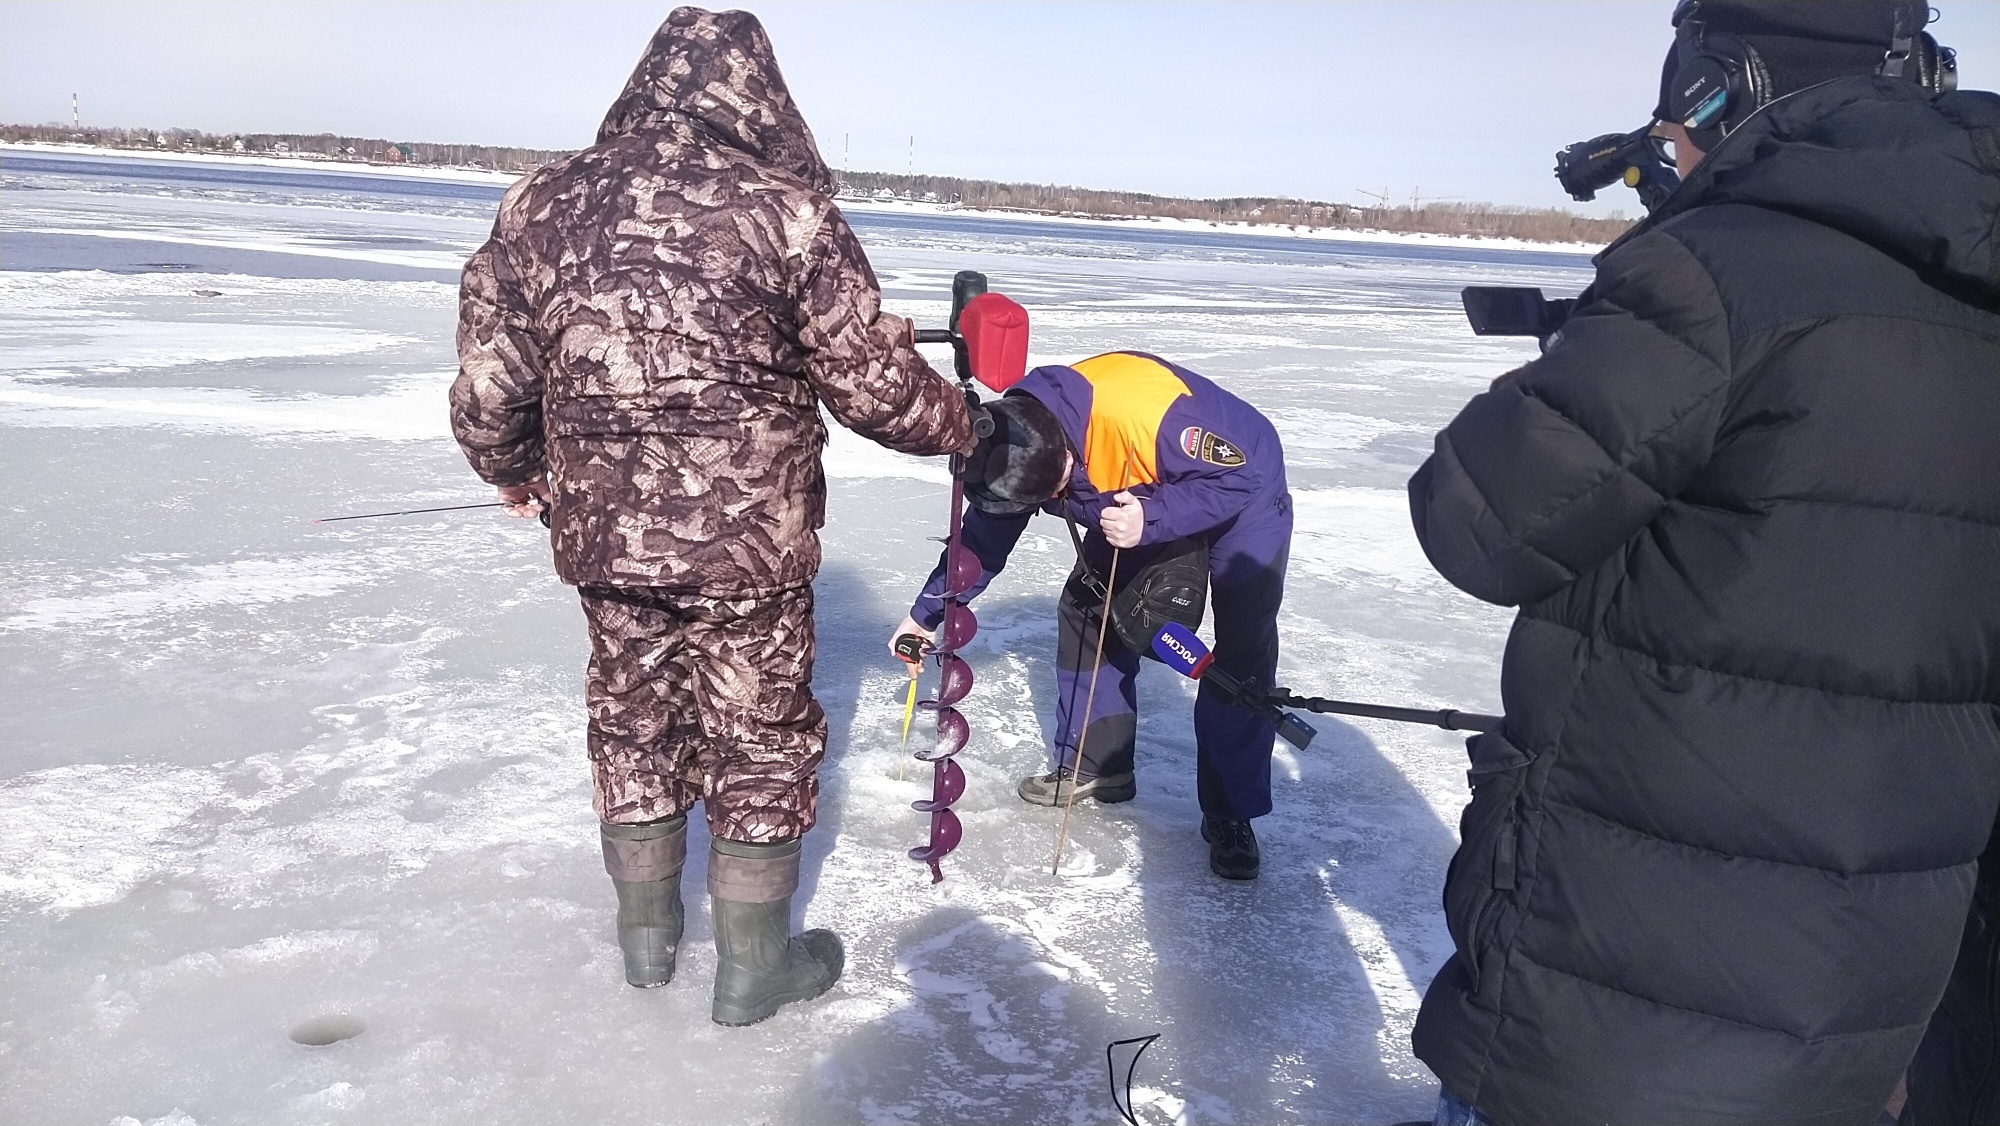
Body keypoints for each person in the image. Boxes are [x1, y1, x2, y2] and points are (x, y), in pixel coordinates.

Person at [1404, 2, 1998, 1123]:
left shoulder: (1716, 269)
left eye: (1676, 123)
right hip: (1875, 1009)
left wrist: (1643, 284)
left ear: (1732, 86)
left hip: (1619, 1004)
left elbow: (1475, 521)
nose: (1665, 149)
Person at [448, 8, 971, 1025]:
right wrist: (969, 425)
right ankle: (750, 971)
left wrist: (512, 469)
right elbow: (870, 387)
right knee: (758, 735)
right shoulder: (787, 212)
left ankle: (647, 948)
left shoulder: (538, 204)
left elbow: (487, 384)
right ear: (759, 97)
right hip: (748, 545)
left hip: (602, 537)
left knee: (630, 720)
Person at [888, 351, 1292, 880]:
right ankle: (1096, 766)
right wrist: (924, 615)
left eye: (1057, 490)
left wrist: (1154, 517)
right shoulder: (1009, 440)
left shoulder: (1145, 415)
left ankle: (1231, 813)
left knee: (1240, 651)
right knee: (1089, 606)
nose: (1055, 500)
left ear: (1065, 454)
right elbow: (983, 540)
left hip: (1238, 487)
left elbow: (1239, 475)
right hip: (1132, 492)